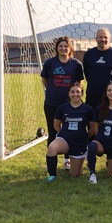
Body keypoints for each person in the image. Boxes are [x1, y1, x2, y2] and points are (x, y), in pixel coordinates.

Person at [40, 36, 84, 170]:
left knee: (69, 131)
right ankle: (51, 164)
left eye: (66, 46)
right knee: (53, 132)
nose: (63, 48)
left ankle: (67, 160)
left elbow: (79, 83)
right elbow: (45, 80)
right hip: (52, 103)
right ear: (57, 48)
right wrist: (54, 91)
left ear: (70, 48)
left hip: (69, 105)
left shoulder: (76, 64)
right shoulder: (50, 63)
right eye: (60, 46)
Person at [45, 83, 95, 183]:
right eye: (72, 92)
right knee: (51, 148)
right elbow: (56, 125)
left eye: (78, 92)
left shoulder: (88, 109)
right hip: (65, 140)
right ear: (68, 94)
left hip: (79, 143)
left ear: (82, 93)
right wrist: (64, 134)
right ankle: (52, 175)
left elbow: (93, 128)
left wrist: (84, 137)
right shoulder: (62, 108)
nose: (75, 94)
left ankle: (79, 160)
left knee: (75, 174)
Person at [87, 82, 112, 183]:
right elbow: (95, 124)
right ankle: (92, 174)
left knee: (111, 175)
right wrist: (98, 137)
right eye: (109, 90)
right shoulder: (100, 108)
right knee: (92, 145)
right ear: (106, 92)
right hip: (101, 142)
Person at [82, 28, 112, 109]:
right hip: (93, 94)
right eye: (100, 37)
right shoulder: (88, 54)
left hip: (111, 95)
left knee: (110, 120)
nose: (103, 39)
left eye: (105, 37)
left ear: (109, 39)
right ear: (96, 39)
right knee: (92, 120)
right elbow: (87, 73)